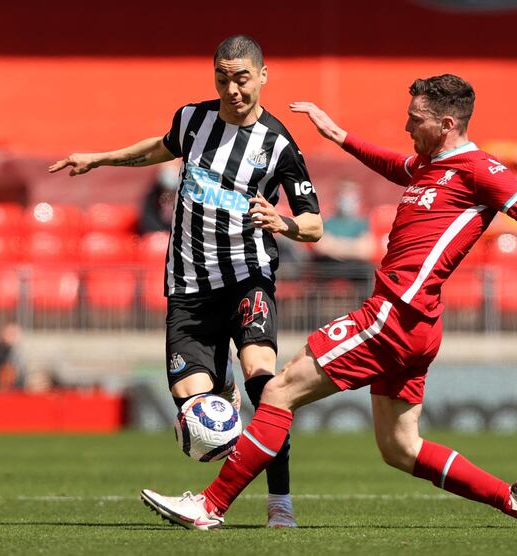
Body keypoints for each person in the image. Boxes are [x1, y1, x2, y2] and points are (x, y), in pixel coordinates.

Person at [138, 74, 517, 531]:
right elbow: (394, 164)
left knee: (278, 389)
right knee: (400, 449)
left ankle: (210, 505)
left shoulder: (480, 170)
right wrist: (338, 134)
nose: (406, 126)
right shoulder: (427, 166)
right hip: (415, 326)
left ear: (447, 124)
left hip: (395, 315)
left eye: (415, 118)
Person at [49, 35, 322, 528]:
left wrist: (283, 224)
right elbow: (161, 146)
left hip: (247, 278)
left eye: (241, 78)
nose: (232, 89)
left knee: (265, 383)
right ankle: (223, 398)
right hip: (189, 289)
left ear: (262, 76)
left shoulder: (279, 145)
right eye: (222, 78)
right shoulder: (192, 119)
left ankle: (280, 502)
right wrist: (101, 157)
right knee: (199, 422)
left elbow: (314, 223)